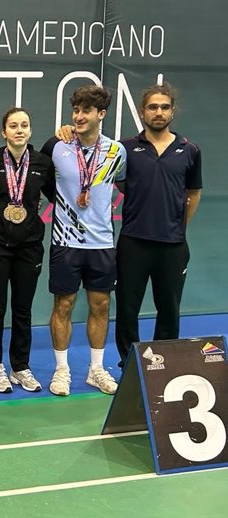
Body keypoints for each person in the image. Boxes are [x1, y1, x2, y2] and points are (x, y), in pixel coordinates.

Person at [40, 85, 126, 397]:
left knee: (100, 305)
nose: (78, 116)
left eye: (85, 111)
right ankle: (61, 370)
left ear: (101, 114)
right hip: (65, 242)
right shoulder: (57, 146)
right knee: (63, 304)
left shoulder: (117, 152)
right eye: (75, 110)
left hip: (102, 244)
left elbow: (126, 185)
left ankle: (96, 370)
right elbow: (39, 179)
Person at [114, 83, 202, 364]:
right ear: (142, 112)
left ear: (172, 111)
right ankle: (129, 364)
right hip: (133, 242)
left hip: (173, 246)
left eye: (164, 107)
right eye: (153, 107)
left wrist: (176, 224)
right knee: (127, 310)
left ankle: (162, 368)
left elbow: (193, 193)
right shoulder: (126, 148)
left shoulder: (189, 150)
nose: (159, 112)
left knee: (169, 310)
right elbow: (120, 183)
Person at [0, 108, 55, 393]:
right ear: (4, 131)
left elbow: (54, 194)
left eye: (24, 125)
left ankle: (20, 366)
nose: (19, 130)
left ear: (31, 131)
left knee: (22, 309)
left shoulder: (42, 163)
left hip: (30, 246)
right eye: (13, 125)